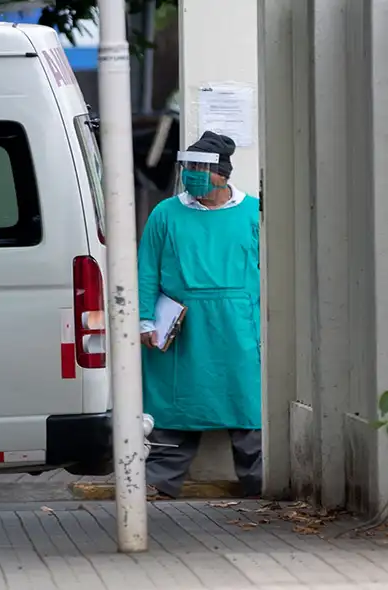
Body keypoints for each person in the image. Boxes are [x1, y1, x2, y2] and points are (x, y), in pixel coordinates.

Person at [137, 131, 262, 499]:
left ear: (222, 174)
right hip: (181, 325)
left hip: (239, 323)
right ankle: (157, 482)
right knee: (174, 404)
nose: (191, 173)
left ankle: (261, 482)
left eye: (200, 167)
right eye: (188, 166)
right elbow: (147, 270)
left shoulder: (253, 212)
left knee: (246, 401)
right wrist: (145, 319)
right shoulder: (166, 213)